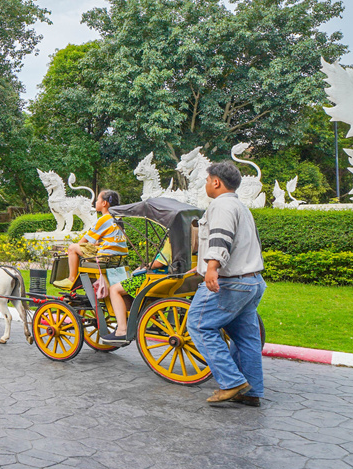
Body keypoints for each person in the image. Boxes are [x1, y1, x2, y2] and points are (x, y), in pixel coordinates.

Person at [187, 161, 266, 407]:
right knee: (246, 338)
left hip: (231, 283)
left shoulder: (220, 205)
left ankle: (231, 382)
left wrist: (211, 268)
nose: (206, 184)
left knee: (199, 325)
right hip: (252, 281)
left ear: (216, 182)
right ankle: (251, 390)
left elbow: (221, 239)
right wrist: (203, 265)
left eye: (207, 180)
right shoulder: (240, 207)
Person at [51, 189, 127, 291]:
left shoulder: (104, 219)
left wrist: (70, 252)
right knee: (85, 251)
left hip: (106, 257)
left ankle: (71, 279)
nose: (95, 202)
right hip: (117, 258)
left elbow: (83, 241)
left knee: (72, 248)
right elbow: (105, 242)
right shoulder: (118, 218)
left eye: (97, 200)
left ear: (104, 203)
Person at [99, 241, 171, 343]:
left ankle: (122, 329)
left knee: (114, 289)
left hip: (154, 277)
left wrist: (145, 267)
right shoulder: (190, 239)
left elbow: (160, 263)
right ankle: (154, 323)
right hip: (166, 277)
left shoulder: (173, 240)